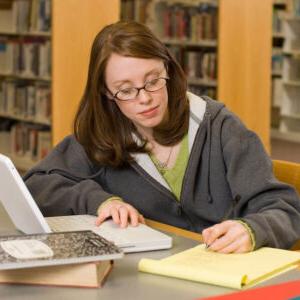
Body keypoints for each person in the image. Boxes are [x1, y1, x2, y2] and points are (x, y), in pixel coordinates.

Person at [24, 21, 300, 254]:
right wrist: (101, 201)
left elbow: (283, 208)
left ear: (168, 69)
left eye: (153, 80)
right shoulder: (100, 134)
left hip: (228, 277)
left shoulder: (220, 128)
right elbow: (37, 186)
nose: (145, 99)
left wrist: (252, 230)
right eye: (126, 90)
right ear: (106, 93)